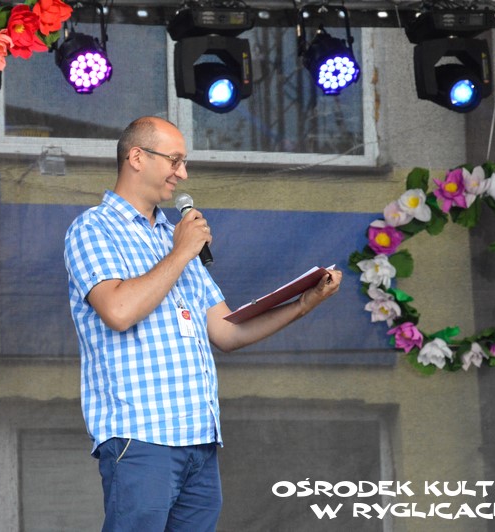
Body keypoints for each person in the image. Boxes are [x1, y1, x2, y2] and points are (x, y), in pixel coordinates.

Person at [64, 116, 342, 531]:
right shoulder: (93, 228)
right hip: (141, 437)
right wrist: (182, 252)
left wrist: (304, 303)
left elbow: (227, 331)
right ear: (136, 157)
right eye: (174, 160)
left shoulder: (173, 237)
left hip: (199, 440)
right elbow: (118, 311)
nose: (183, 173)